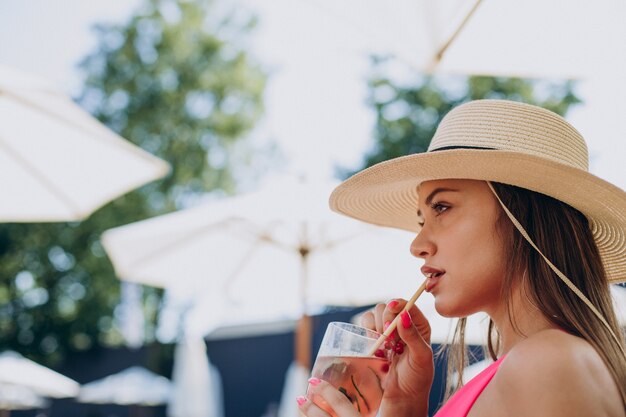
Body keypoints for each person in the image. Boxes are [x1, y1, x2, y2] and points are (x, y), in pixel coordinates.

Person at [296, 99, 626, 416]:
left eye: (442, 207)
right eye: (422, 220)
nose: (417, 244)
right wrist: (404, 407)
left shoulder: (547, 363)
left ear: (521, 219)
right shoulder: (520, 369)